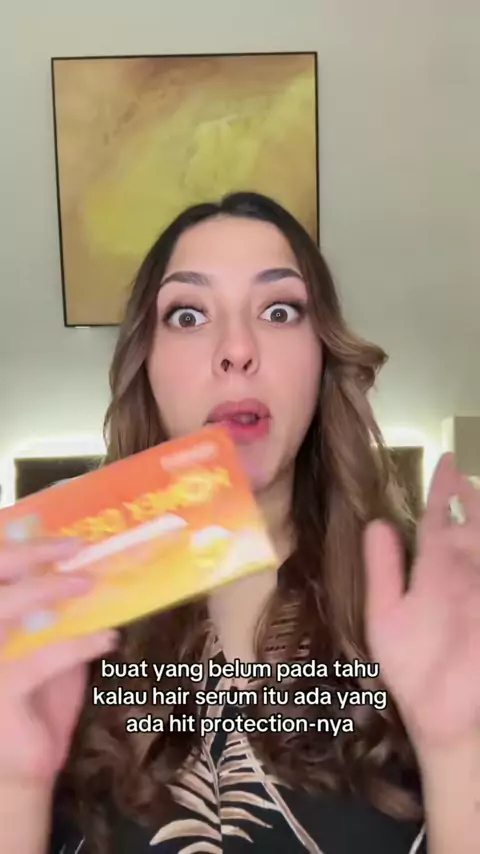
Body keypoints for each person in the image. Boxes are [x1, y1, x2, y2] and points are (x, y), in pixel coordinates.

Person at [0, 192, 478, 854]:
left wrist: (460, 752)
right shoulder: (46, 626)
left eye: (279, 311)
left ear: (322, 357)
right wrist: (14, 788)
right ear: (146, 367)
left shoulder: (433, 616)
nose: (236, 349)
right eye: (188, 314)